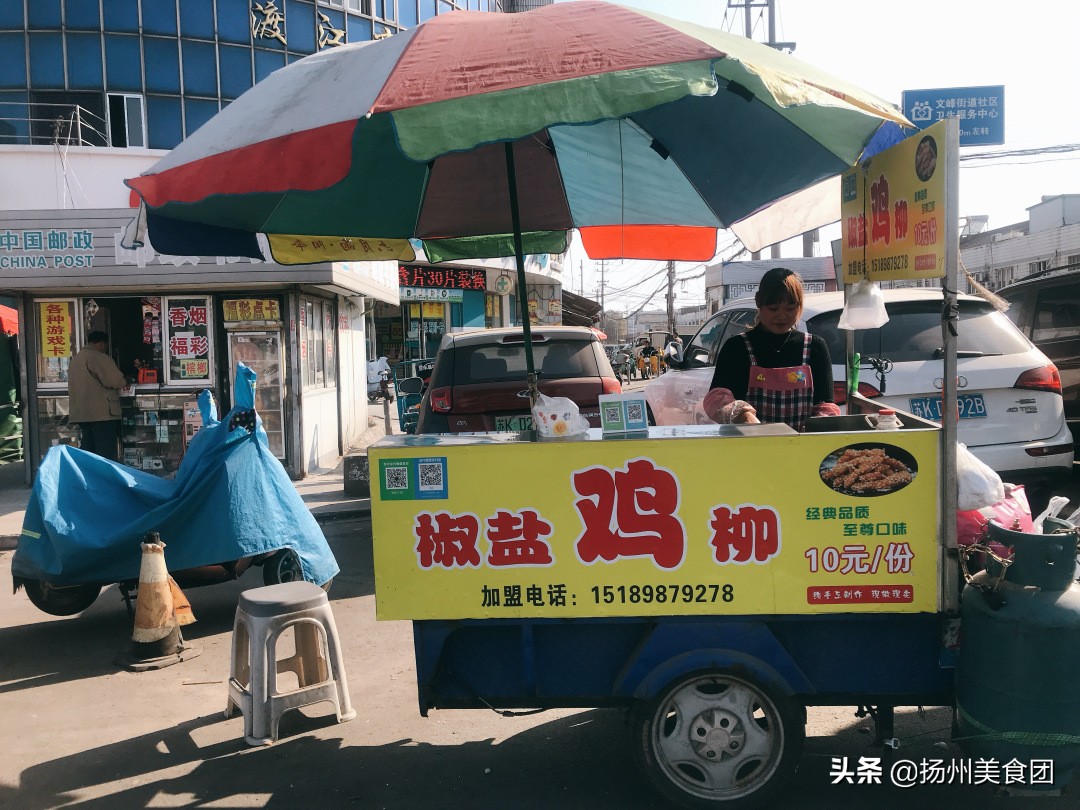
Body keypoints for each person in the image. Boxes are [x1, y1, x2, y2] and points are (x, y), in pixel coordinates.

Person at [704, 267, 840, 432]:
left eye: (791, 308)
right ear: (758, 302)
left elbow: (826, 405)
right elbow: (715, 398)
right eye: (773, 308)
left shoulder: (814, 347)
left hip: (800, 449)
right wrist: (741, 414)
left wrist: (820, 423)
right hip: (748, 447)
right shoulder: (737, 348)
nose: (782, 316)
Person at [68, 331, 129, 461]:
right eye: (105, 345)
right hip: (101, 414)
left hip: (82, 413)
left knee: (88, 450)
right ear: (101, 343)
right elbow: (116, 381)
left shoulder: (77, 358)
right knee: (104, 452)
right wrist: (126, 380)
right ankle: (104, 479)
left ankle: (88, 478)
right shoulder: (99, 357)